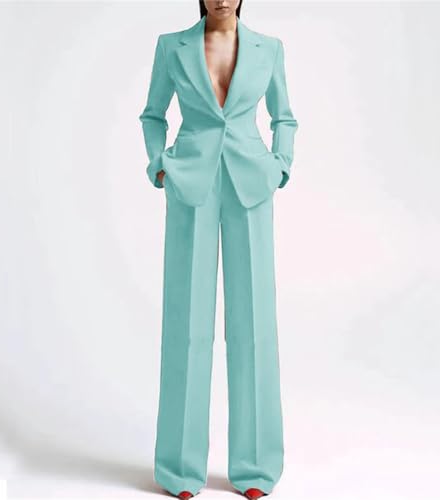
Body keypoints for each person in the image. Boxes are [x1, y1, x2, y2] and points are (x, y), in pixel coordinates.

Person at [138, 1, 298, 498]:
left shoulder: (269, 49)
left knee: (254, 326)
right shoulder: (173, 46)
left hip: (251, 185)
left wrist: (280, 165)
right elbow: (152, 114)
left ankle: (256, 467)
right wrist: (159, 164)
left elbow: (285, 118)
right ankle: (180, 469)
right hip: (191, 184)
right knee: (187, 325)